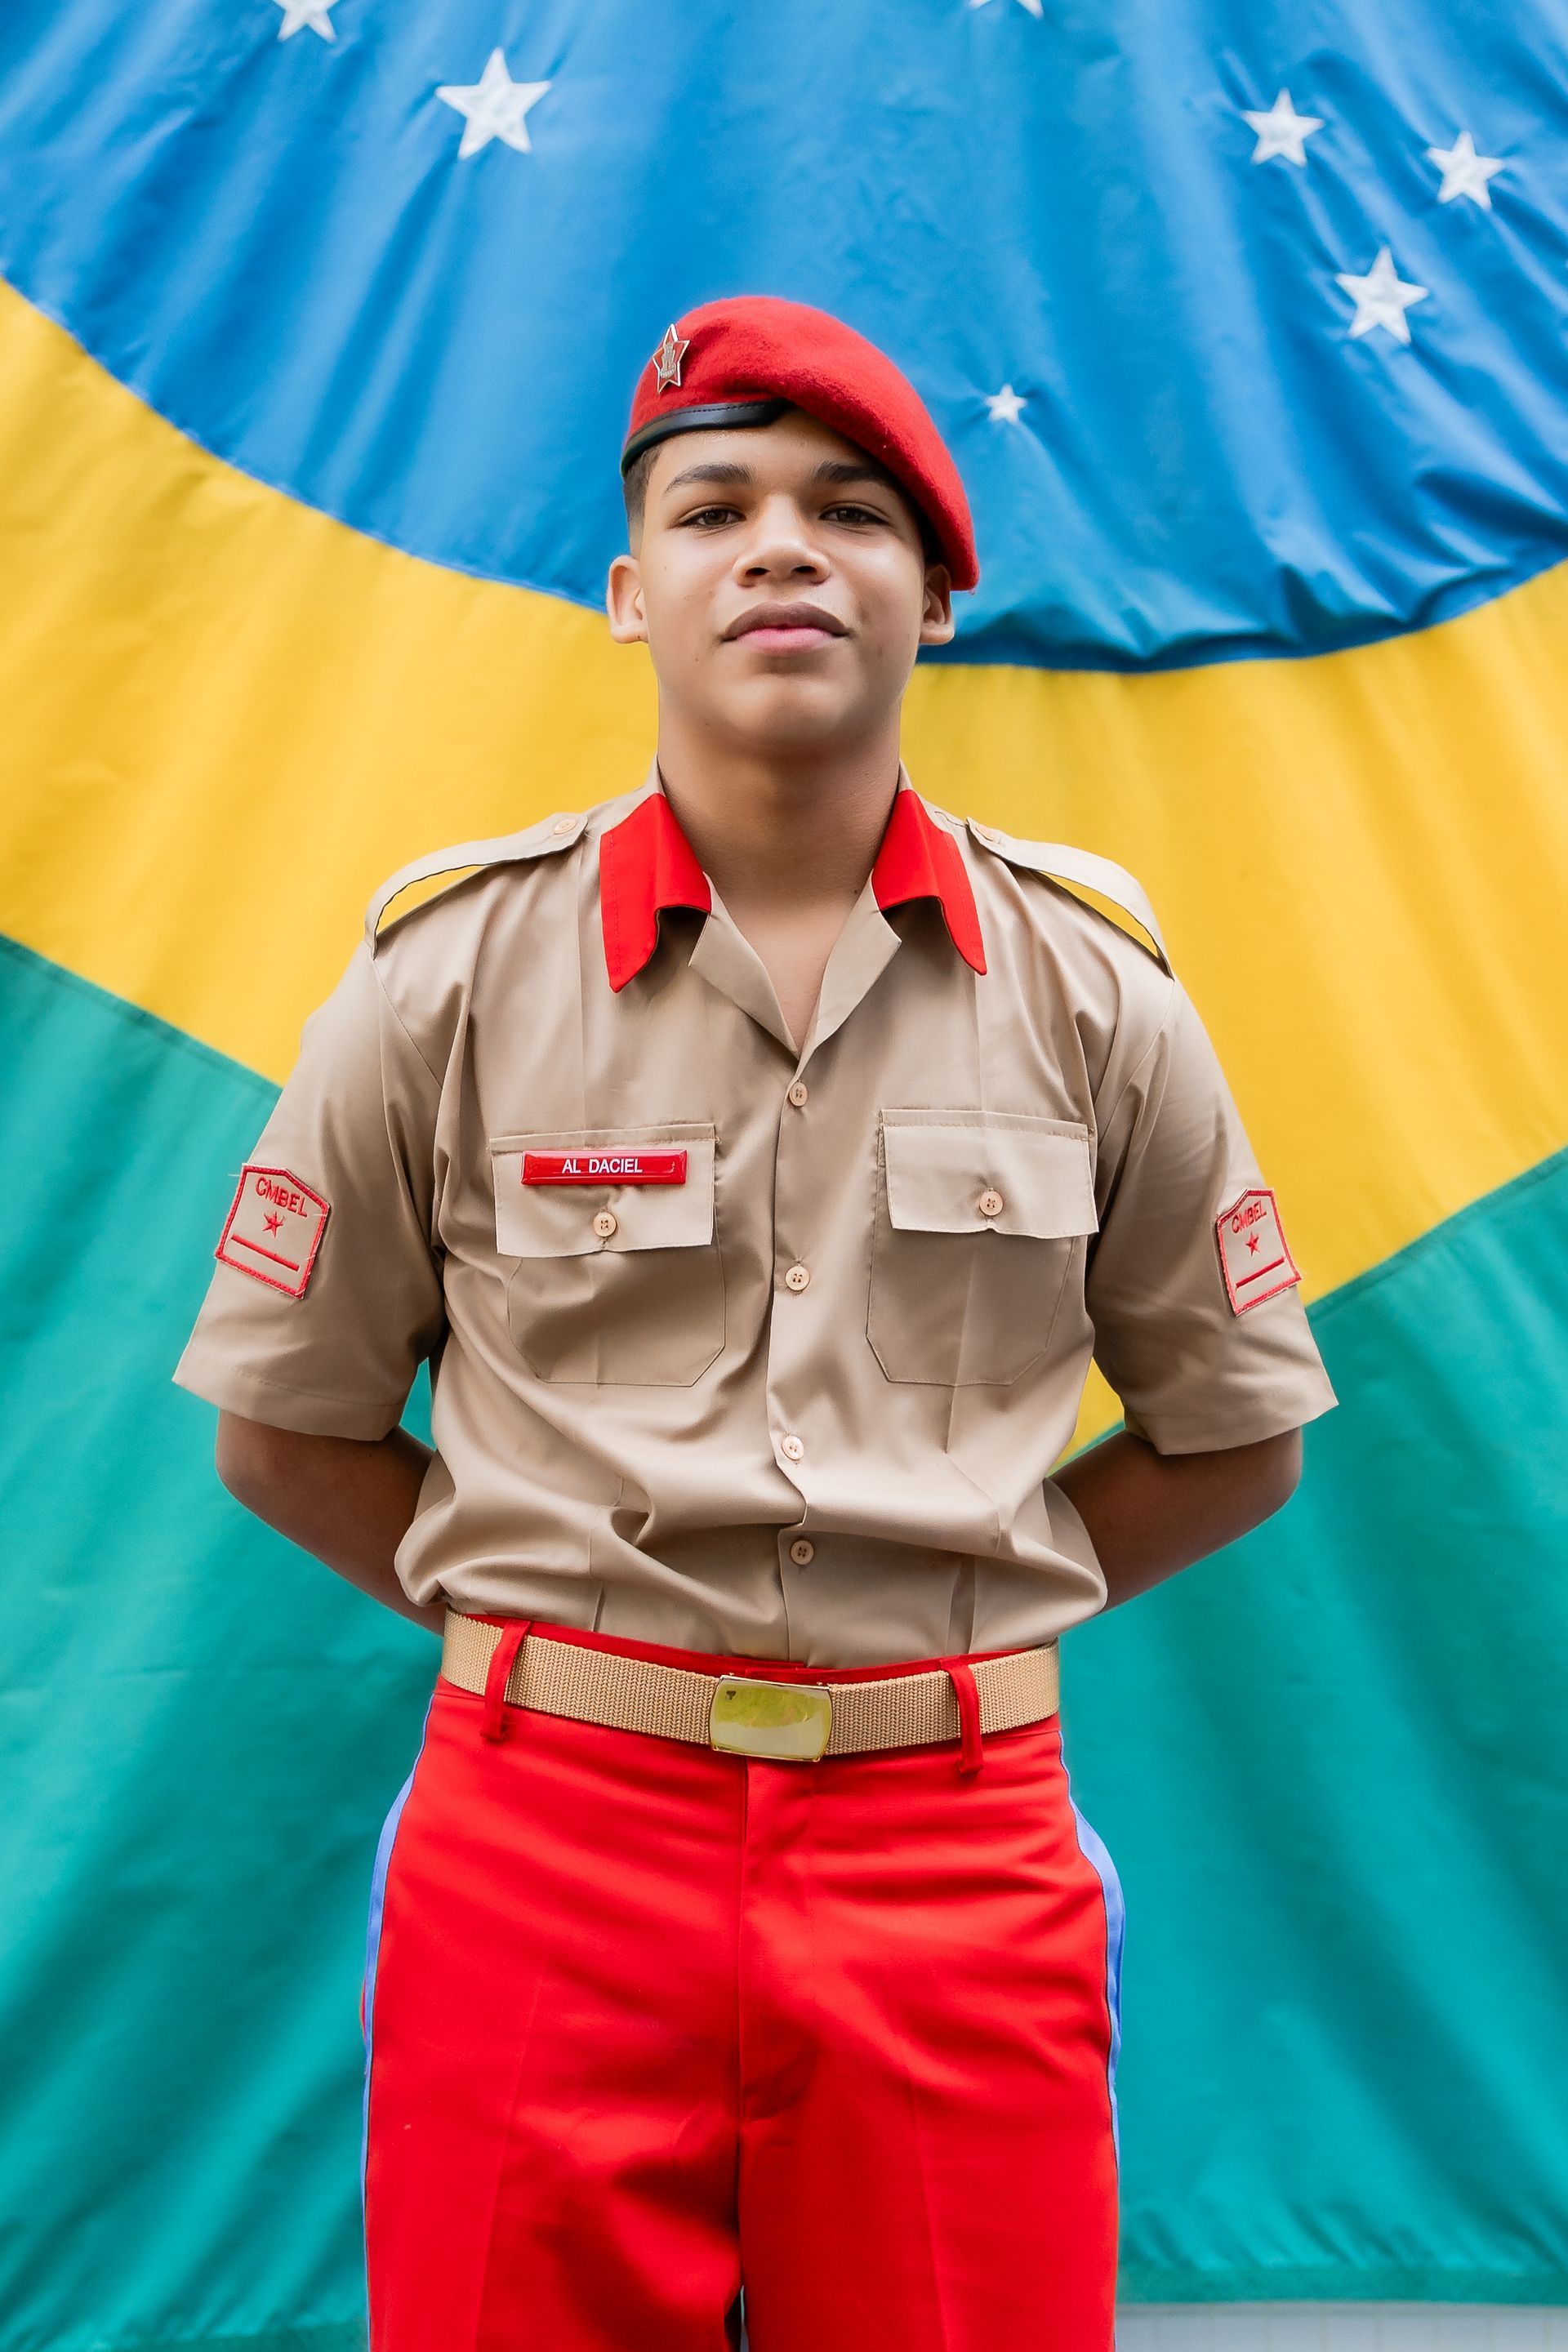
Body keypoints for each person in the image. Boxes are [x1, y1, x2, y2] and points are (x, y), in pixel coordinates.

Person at [174, 294, 1336, 2352]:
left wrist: (968, 1598)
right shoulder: (443, 984)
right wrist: (539, 1622)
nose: (784, 547)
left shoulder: (1095, 995)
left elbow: (1237, 1430)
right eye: (716, 506)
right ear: (632, 593)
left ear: (935, 598)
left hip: (952, 1862)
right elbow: (282, 1424)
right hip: (544, 1850)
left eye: (853, 510)